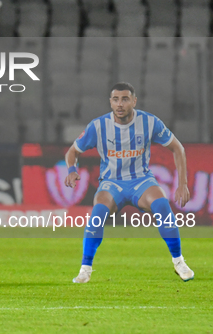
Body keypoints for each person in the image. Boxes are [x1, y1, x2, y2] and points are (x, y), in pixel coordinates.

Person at [64, 82, 194, 283]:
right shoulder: (98, 126)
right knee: (97, 215)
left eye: (125, 99)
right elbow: (73, 151)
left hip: (141, 180)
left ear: (134, 101)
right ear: (110, 102)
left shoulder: (149, 122)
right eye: (115, 99)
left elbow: (178, 148)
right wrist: (72, 170)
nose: (120, 104)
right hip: (111, 183)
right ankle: (85, 269)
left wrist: (182, 184)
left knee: (162, 206)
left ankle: (179, 262)